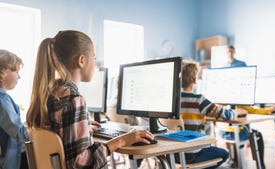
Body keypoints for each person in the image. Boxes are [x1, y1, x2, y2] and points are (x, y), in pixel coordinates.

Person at [26, 30, 155, 169]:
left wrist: (83, 129)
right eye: (93, 57)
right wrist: (121, 140)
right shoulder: (73, 99)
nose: (95, 63)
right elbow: (79, 163)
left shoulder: (50, 93)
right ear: (81, 60)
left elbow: (60, 135)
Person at [176, 60, 246, 168]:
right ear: (195, 80)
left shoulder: (174, 100)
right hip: (194, 154)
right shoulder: (199, 100)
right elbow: (225, 114)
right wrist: (236, 112)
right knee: (224, 154)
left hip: (174, 154)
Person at [0, 49, 29, 169]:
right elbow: (19, 132)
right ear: (3, 71)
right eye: (16, 71)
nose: (19, 77)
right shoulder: (2, 99)